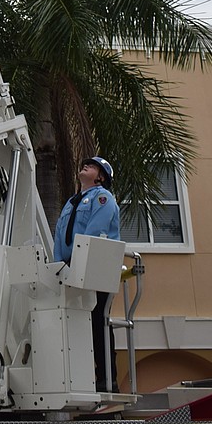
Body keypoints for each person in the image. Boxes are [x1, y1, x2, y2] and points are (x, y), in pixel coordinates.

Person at [53, 155, 121, 392]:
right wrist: (58, 265)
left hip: (95, 264)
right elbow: (60, 235)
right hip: (71, 265)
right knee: (77, 321)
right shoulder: (72, 202)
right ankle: (86, 377)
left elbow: (95, 230)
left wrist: (78, 260)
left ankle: (106, 378)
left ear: (101, 176)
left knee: (98, 322)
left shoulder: (103, 198)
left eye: (92, 166)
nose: (85, 166)